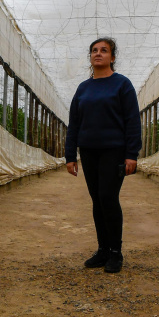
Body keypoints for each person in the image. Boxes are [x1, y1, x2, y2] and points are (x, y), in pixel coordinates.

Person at [64, 37, 142, 273]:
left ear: (112, 57)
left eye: (104, 50)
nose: (98, 54)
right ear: (90, 57)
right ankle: (102, 250)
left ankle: (116, 252)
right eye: (94, 51)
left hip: (113, 151)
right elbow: (74, 123)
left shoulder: (122, 85)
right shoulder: (83, 88)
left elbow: (132, 121)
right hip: (88, 151)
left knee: (108, 198)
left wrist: (131, 154)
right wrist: (70, 155)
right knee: (97, 200)